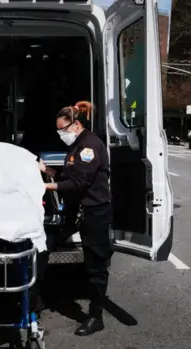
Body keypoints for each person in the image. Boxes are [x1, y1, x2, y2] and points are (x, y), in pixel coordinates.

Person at [40, 100, 113, 336]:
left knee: (96, 265)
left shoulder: (89, 146)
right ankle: (37, 299)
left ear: (76, 124)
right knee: (47, 244)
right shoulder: (78, 145)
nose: (61, 134)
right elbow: (72, 173)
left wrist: (46, 186)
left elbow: (78, 183)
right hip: (77, 211)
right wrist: (49, 172)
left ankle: (95, 316)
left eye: (63, 130)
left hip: (94, 213)